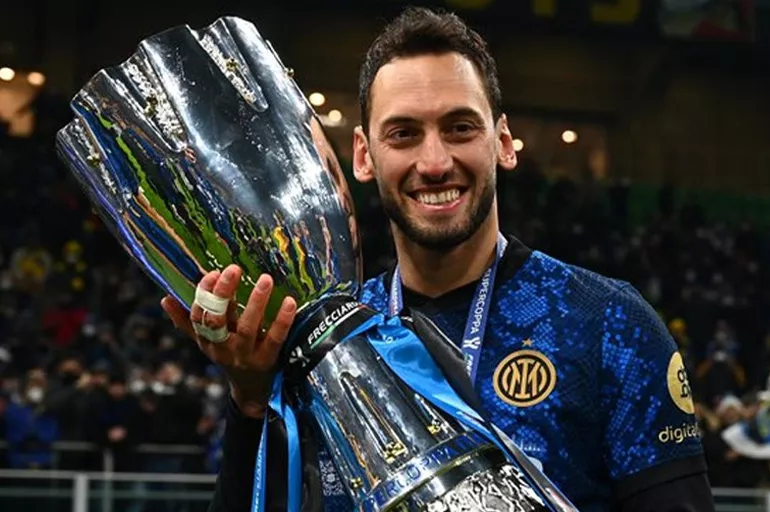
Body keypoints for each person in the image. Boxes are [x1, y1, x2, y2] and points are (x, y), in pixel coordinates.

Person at [161, 6, 714, 512]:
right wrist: (250, 402)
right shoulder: (319, 341)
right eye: (404, 134)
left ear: (502, 142)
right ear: (364, 156)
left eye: (459, 128)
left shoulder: (608, 325)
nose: (434, 161)